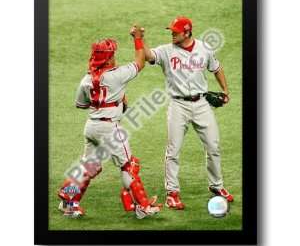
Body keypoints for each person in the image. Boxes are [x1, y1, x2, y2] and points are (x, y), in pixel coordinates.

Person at [57, 26, 161, 219]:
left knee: (89, 166)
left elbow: (81, 104)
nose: (115, 56)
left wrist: (106, 100)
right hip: (109, 129)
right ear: (108, 57)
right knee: (129, 165)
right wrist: (138, 38)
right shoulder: (117, 75)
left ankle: (68, 202)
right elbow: (140, 61)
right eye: (112, 54)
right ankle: (143, 206)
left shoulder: (86, 80)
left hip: (91, 127)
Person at [131, 17, 233, 210]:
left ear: (187, 33)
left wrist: (226, 91)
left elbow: (217, 69)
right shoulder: (166, 51)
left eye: (176, 32)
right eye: (172, 31)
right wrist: (139, 39)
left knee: (213, 146)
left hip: (202, 103)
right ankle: (172, 193)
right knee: (173, 150)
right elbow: (148, 56)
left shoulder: (204, 48)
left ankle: (217, 186)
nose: (172, 34)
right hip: (178, 105)